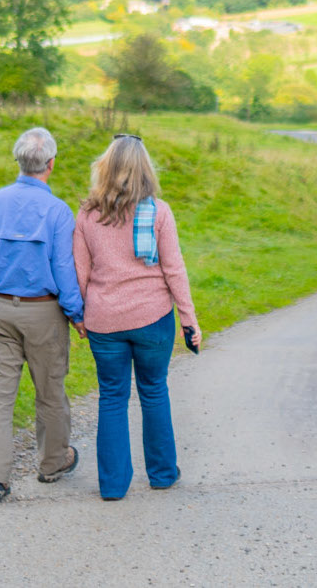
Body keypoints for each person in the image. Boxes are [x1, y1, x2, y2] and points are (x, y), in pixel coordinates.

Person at [74, 132, 201, 501]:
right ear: (146, 169)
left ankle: (113, 485)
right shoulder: (158, 211)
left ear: (105, 168)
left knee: (112, 397)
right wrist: (188, 317)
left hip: (104, 321)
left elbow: (79, 271)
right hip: (152, 318)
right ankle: (162, 474)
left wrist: (78, 315)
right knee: (153, 390)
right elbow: (174, 270)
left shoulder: (87, 214)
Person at [0, 126, 85, 504]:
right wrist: (77, 314)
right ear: (51, 164)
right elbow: (65, 270)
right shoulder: (57, 211)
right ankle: (52, 464)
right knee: (50, 391)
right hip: (44, 312)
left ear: (18, 161)